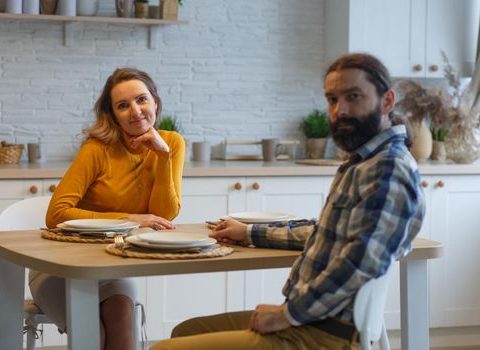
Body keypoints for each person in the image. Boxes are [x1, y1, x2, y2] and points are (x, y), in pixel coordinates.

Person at [151, 53, 425, 350]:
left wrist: (287, 315)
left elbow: (359, 263)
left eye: (353, 96)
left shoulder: (387, 169)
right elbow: (326, 233)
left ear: (387, 101)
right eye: (332, 99)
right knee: (186, 331)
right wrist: (251, 233)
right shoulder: (364, 162)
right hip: (313, 322)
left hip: (325, 336)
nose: (339, 110)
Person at [30, 67, 185, 350]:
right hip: (60, 266)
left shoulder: (171, 144)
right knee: (94, 335)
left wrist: (163, 157)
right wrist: (131, 218)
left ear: (155, 103)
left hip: (111, 264)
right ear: (113, 114)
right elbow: (57, 214)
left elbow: (163, 214)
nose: (135, 111)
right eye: (123, 106)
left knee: (122, 321)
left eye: (141, 100)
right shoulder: (97, 148)